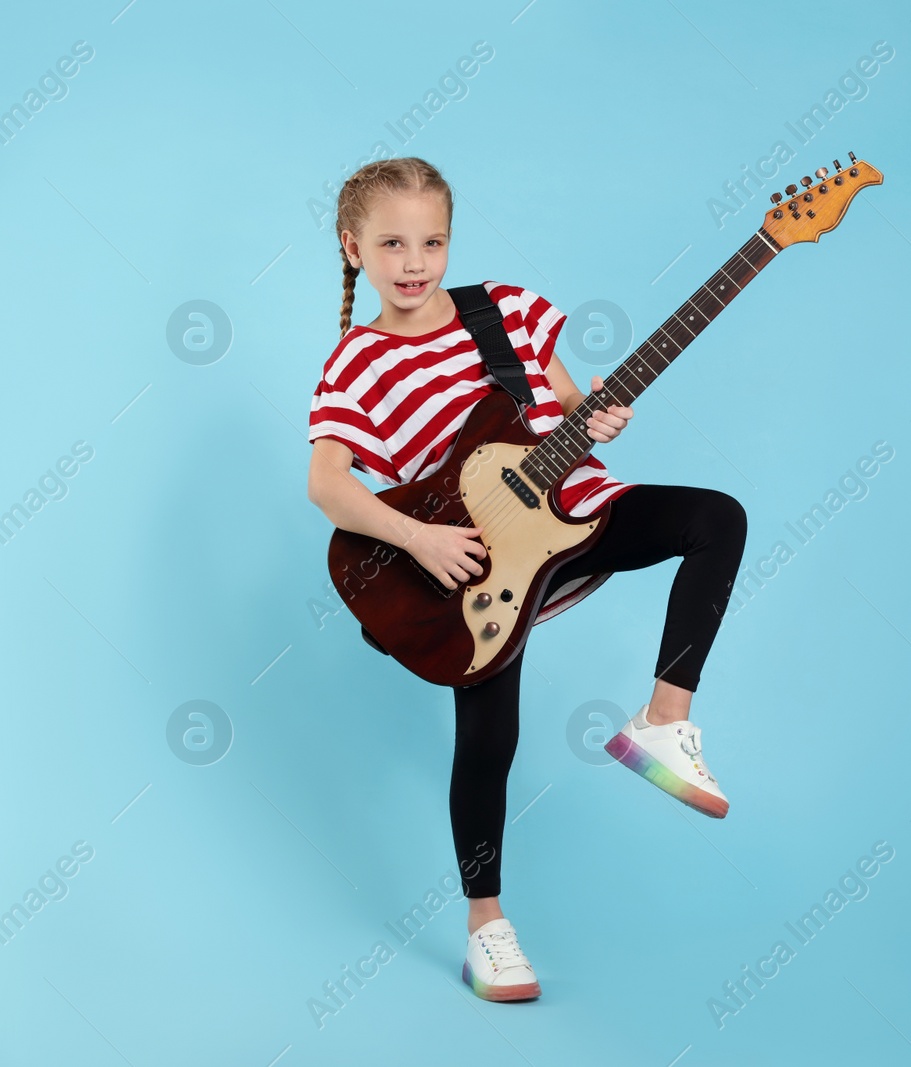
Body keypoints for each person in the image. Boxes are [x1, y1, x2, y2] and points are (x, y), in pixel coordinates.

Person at [305, 157, 747, 1003]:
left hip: (576, 513)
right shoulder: (354, 365)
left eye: (431, 240)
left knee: (716, 517)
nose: (413, 261)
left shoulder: (502, 310)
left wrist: (597, 416)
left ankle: (663, 719)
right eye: (392, 242)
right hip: (475, 570)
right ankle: (487, 928)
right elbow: (328, 485)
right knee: (487, 743)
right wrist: (420, 539)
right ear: (352, 245)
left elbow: (561, 406)